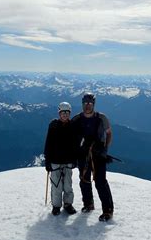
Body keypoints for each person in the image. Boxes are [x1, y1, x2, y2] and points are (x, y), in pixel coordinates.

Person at [72, 93, 114, 221]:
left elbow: (109, 134)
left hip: (98, 154)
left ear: (93, 104)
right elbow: (72, 137)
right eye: (85, 103)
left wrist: (105, 150)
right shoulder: (76, 119)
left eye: (90, 103)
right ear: (82, 104)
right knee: (84, 180)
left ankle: (107, 210)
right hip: (83, 154)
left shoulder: (101, 118)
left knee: (100, 182)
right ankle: (88, 204)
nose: (87, 105)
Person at [44, 102, 78, 216]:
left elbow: (75, 144)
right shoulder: (53, 126)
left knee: (68, 185)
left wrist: (75, 159)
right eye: (63, 112)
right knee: (56, 185)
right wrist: (47, 160)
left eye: (67, 113)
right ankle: (56, 205)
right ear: (59, 113)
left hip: (68, 160)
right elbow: (48, 143)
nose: (65, 115)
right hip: (55, 161)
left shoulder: (73, 126)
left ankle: (68, 204)